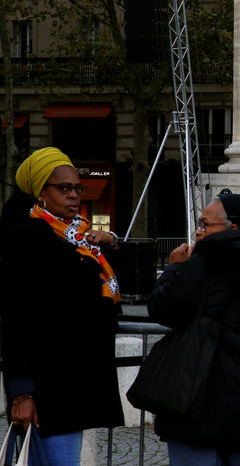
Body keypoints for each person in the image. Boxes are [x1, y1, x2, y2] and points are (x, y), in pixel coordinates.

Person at [147, 192, 240, 465]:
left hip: (196, 397)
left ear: (233, 228)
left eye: (205, 224)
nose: (198, 232)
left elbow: (161, 307)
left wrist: (175, 269)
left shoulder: (205, 263)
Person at [0, 147, 124, 465]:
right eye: (63, 188)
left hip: (72, 382)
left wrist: (109, 240)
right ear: (41, 193)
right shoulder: (28, 240)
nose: (73, 195)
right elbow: (16, 319)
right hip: (50, 387)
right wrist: (23, 392)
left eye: (77, 187)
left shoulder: (77, 238)